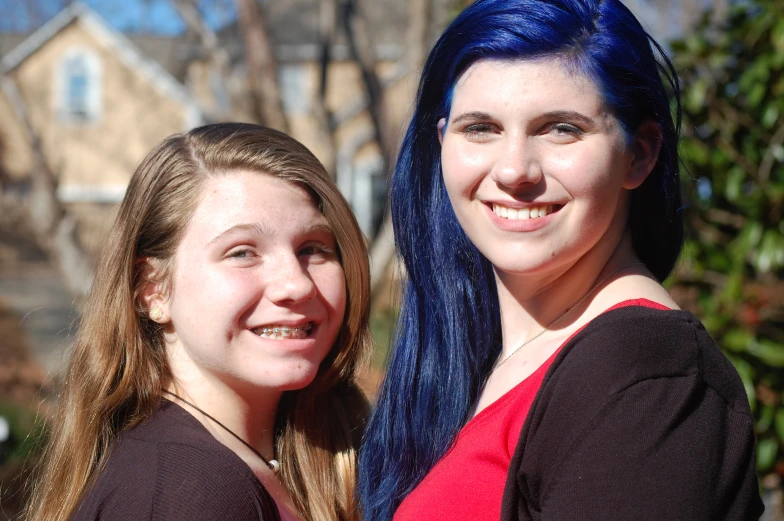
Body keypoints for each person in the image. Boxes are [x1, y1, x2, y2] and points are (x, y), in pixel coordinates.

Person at [359, 1, 763, 520]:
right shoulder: (471, 366)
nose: (513, 170)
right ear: (442, 146)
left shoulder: (648, 374)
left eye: (561, 129)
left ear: (639, 154)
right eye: (480, 128)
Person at [26, 123, 371, 521]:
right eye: (242, 253)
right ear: (153, 289)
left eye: (313, 248)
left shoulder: (286, 455)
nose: (295, 284)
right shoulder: (188, 493)